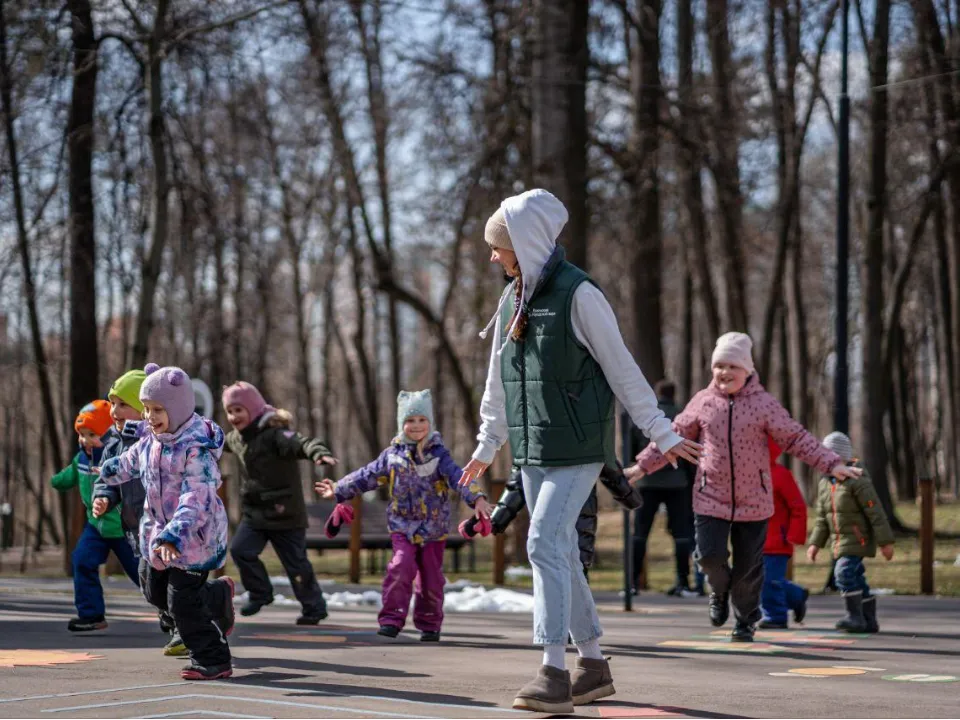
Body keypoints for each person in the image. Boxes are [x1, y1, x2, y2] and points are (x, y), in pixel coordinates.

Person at [458, 189, 701, 714]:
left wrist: (661, 430)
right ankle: (592, 666)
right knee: (562, 552)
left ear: (525, 243)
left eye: (499, 247)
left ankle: (552, 670)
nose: (493, 256)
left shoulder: (579, 294)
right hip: (531, 450)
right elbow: (499, 383)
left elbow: (623, 368)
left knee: (543, 542)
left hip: (579, 448)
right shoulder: (512, 300)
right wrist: (487, 445)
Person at [629, 332, 860, 643]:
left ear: (747, 370)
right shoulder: (703, 402)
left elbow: (795, 438)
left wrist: (832, 463)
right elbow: (673, 435)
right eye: (719, 365)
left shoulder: (764, 404)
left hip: (754, 500)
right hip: (711, 496)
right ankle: (718, 591)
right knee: (709, 557)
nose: (724, 372)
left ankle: (745, 620)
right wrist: (641, 466)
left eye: (732, 366)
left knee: (749, 570)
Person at [315, 390, 491, 641]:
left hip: (434, 529)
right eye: (410, 420)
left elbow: (459, 478)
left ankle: (429, 622)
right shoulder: (392, 456)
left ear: (430, 423)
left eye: (422, 420)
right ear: (402, 424)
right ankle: (391, 618)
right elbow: (365, 476)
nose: (416, 426)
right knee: (400, 567)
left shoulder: (440, 455)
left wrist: (477, 498)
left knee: (431, 578)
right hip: (402, 526)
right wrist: (338, 488)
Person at [95, 364, 235, 680]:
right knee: (153, 590)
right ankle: (216, 596)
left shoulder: (196, 450)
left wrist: (174, 534)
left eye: (158, 409)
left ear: (179, 408)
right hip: (160, 536)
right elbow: (130, 462)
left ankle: (213, 658)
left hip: (195, 536)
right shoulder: (151, 440)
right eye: (146, 409)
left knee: (181, 600)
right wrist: (109, 470)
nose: (150, 416)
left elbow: (196, 498)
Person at [222, 381, 337, 624]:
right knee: (240, 550)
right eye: (229, 412)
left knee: (296, 565)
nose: (233, 417)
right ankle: (260, 592)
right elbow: (215, 442)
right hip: (255, 512)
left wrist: (318, 453)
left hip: (285, 513)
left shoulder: (275, 434)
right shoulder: (236, 438)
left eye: (239, 410)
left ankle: (314, 607)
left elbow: (301, 442)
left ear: (253, 409)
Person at [51, 400, 139, 632]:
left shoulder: (117, 458)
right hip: (96, 527)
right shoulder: (80, 460)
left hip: (123, 527)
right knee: (81, 560)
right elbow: (67, 477)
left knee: (143, 574)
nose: (85, 440)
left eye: (92, 434)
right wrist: (56, 481)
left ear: (109, 434)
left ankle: (173, 613)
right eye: (81, 434)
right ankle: (91, 614)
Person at [482, 465, 642, 578]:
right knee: (558, 572)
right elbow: (519, 480)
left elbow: (607, 464)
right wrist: (496, 520)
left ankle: (573, 623)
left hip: (578, 520)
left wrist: (497, 520)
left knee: (573, 572)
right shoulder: (537, 434)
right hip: (559, 524)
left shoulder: (584, 433)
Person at [807, 432, 895, 633]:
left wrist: (885, 542)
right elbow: (822, 518)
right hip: (839, 541)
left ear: (840, 457)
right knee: (856, 578)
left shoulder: (857, 480)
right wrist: (815, 544)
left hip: (857, 538)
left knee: (843, 574)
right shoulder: (825, 484)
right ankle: (868, 619)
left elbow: (876, 512)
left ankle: (854, 618)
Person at [629, 379, 696, 596]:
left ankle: (632, 582)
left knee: (640, 533)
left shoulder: (644, 420)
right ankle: (683, 582)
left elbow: (630, 450)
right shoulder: (682, 416)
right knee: (681, 534)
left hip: (647, 482)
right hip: (678, 483)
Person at [759, 438, 809, 629]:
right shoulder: (746, 476)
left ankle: (776, 617)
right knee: (757, 579)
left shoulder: (780, 475)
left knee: (769, 580)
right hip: (753, 539)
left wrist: (794, 534)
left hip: (777, 540)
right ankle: (796, 595)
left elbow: (797, 506)